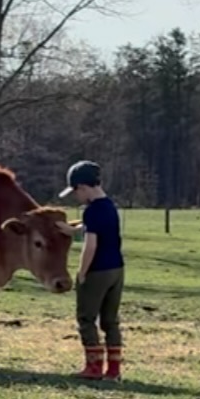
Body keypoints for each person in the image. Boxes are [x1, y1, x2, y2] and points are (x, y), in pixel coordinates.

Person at [58, 160, 124, 381]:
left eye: (76, 192)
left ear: (83, 188)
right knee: (110, 321)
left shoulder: (91, 211)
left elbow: (91, 245)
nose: (76, 198)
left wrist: (82, 272)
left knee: (86, 318)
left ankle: (93, 367)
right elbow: (92, 229)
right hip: (117, 270)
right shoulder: (109, 206)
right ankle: (113, 370)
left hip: (97, 271)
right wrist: (71, 229)